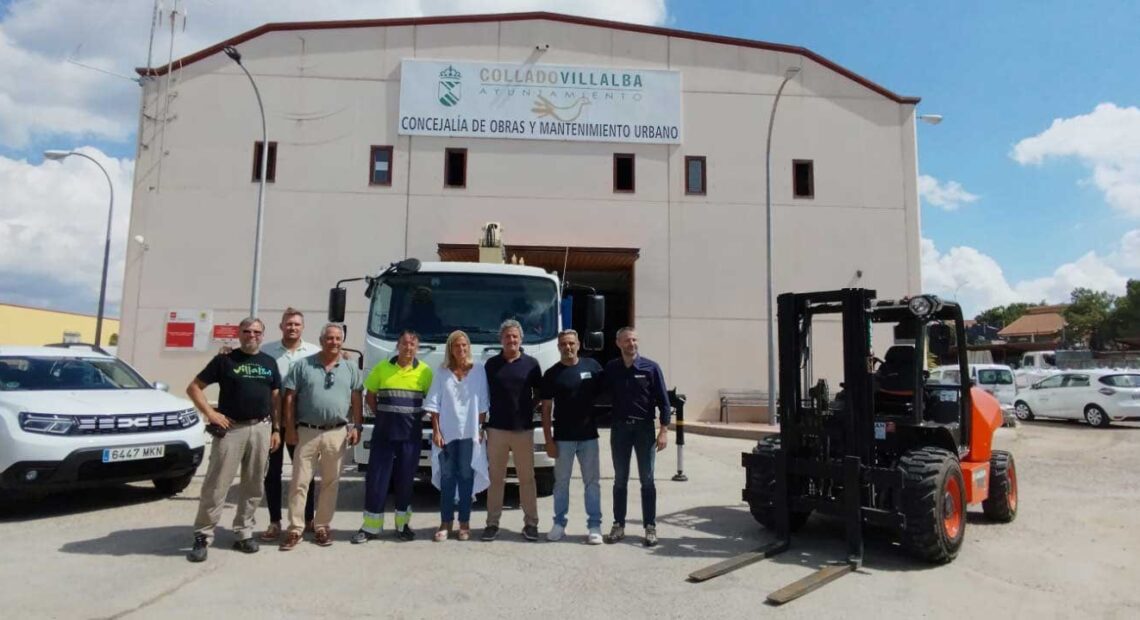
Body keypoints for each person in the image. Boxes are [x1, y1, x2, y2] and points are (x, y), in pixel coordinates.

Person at [185, 317, 281, 563]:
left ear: (263, 335)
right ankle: (203, 535)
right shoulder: (225, 360)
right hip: (231, 430)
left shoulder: (269, 362)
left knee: (254, 484)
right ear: (239, 334)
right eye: (247, 331)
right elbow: (194, 388)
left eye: (257, 332)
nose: (252, 335)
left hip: (261, 428)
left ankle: (244, 532)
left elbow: (275, 399)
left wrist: (276, 429)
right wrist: (211, 414)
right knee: (217, 484)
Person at [278, 323, 363, 550]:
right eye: (329, 338)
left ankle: (322, 526)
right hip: (307, 431)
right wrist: (290, 428)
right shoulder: (302, 365)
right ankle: (295, 529)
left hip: (337, 432)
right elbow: (289, 397)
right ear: (321, 340)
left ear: (342, 341)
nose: (333, 342)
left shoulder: (350, 368)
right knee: (299, 482)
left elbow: (356, 398)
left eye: (338, 338)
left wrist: (357, 426)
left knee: (330, 482)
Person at [352, 329, 433, 544]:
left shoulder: (425, 372)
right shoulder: (382, 368)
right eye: (405, 343)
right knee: (377, 481)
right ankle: (370, 528)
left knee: (405, 481)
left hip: (410, 437)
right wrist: (381, 415)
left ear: (417, 348)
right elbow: (370, 396)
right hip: (384, 435)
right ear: (398, 346)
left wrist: (416, 417)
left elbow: (432, 401)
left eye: (413, 344)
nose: (408, 348)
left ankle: (403, 526)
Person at [602, 327, 671, 547]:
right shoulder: (612, 368)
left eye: (634, 340)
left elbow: (664, 402)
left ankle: (650, 526)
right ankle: (618, 525)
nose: (631, 344)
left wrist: (663, 430)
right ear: (618, 343)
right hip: (620, 430)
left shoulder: (651, 368)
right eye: (627, 340)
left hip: (644, 430)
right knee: (620, 479)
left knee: (647, 480)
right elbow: (597, 392)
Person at [257, 308, 321, 542]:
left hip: (302, 423)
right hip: (274, 423)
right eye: (289, 324)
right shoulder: (266, 351)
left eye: (296, 324)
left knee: (305, 473)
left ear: (302, 327)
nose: (292, 328)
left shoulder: (314, 352)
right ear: (281, 326)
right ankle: (275, 521)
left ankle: (308, 518)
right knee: (272, 473)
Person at [424, 330, 490, 542]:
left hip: (470, 433)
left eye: (464, 345)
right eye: (456, 345)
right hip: (447, 434)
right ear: (450, 349)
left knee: (466, 476)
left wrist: (480, 428)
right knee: (447, 477)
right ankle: (445, 522)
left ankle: (464, 522)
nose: (461, 349)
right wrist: (436, 431)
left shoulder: (478, 370)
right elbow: (434, 404)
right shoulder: (442, 371)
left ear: (468, 347)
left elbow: (483, 402)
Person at [540, 329, 604, 544]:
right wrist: (548, 441)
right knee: (561, 483)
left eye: (571, 343)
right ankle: (559, 524)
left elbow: (609, 391)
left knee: (592, 483)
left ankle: (594, 526)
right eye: (563, 344)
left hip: (589, 437)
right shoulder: (552, 374)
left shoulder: (593, 367)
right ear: (558, 347)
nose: (568, 347)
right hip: (563, 439)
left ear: (578, 345)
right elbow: (546, 410)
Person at [482, 319, 543, 542]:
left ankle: (531, 524)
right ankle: (492, 523)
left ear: (521, 339)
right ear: (501, 339)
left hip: (523, 430)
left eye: (515, 336)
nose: (511, 340)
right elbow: (483, 394)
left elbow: (539, 394)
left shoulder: (531, 364)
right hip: (496, 430)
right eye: (507, 336)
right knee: (495, 479)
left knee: (527, 479)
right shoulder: (491, 365)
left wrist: (528, 408)